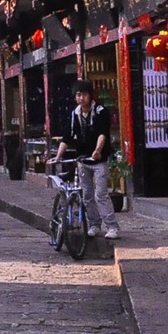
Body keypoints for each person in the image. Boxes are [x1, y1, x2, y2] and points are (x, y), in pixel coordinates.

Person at [53, 79, 119, 239]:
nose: (81, 98)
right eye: (78, 95)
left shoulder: (100, 111)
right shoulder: (74, 114)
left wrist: (98, 150)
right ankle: (95, 224)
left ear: (90, 96)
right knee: (87, 195)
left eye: (83, 95)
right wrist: (58, 156)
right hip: (82, 161)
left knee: (101, 194)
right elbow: (66, 137)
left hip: (99, 161)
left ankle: (112, 227)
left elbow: (103, 133)